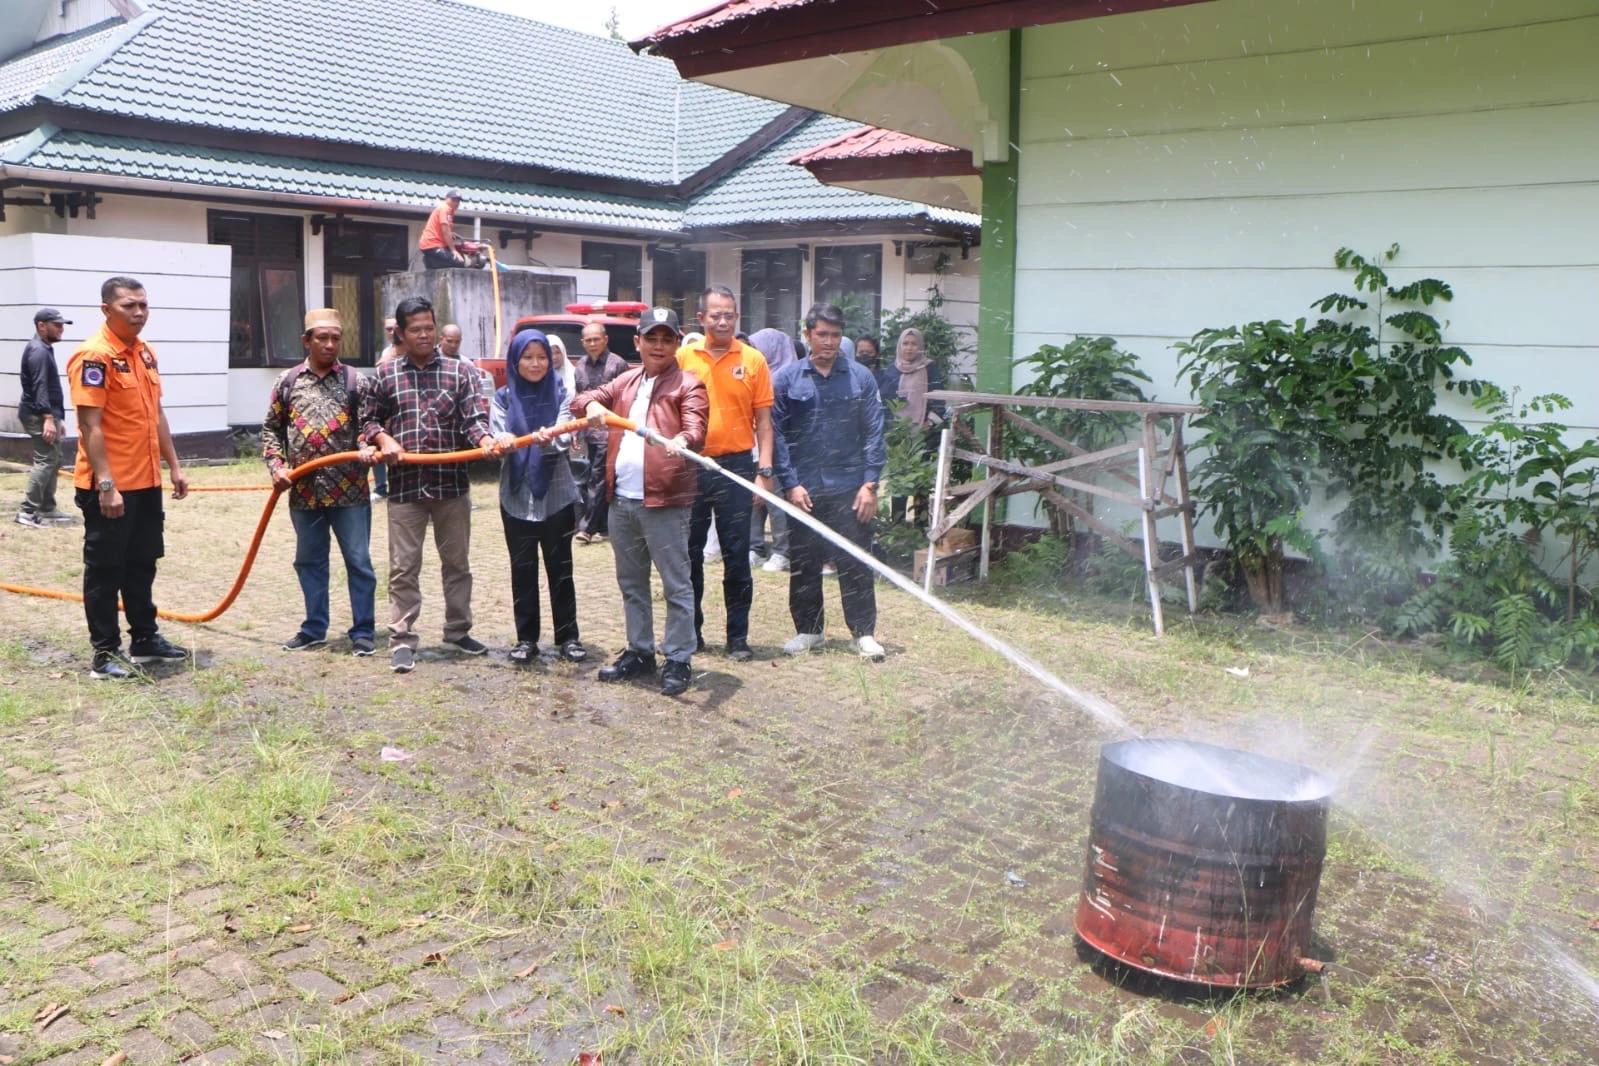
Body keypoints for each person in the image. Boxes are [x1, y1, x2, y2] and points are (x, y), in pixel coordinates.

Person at [362, 295, 504, 673]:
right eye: (416, 330)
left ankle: (458, 631)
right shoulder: (386, 374)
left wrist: (485, 440)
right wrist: (383, 439)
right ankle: (402, 639)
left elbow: (475, 419)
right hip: (405, 489)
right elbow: (369, 421)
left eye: (429, 328)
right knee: (403, 567)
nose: (425, 336)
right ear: (401, 334)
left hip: (451, 487)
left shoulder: (462, 373)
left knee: (457, 563)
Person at [573, 307, 708, 697]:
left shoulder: (689, 384)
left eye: (667, 339)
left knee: (676, 585)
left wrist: (681, 442)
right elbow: (581, 399)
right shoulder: (625, 381)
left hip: (665, 502)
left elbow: (696, 428)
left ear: (677, 344)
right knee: (632, 583)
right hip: (623, 503)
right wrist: (593, 406)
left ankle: (679, 658)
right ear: (638, 342)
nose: (659, 346)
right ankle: (640, 652)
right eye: (652, 338)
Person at [66, 276, 191, 680]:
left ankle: (144, 638)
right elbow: (90, 427)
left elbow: (156, 415)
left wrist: (174, 466)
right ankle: (105, 653)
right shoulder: (93, 357)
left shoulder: (145, 353)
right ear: (107, 309)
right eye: (128, 306)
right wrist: (106, 485)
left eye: (143, 305)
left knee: (142, 562)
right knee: (105, 568)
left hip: (146, 482)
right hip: (109, 487)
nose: (139, 313)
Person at [771, 302, 887, 662]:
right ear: (807, 335)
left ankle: (863, 634)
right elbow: (776, 436)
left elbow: (874, 433)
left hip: (851, 488)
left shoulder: (860, 378)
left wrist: (870, 485)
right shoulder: (788, 380)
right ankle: (809, 630)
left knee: (855, 561)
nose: (829, 342)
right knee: (805, 562)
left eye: (836, 335)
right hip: (804, 489)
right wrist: (790, 484)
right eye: (822, 334)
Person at [262, 308, 378, 657]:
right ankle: (314, 629)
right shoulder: (288, 382)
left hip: (351, 493)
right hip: (304, 493)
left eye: (335, 338)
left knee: (358, 562)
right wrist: (277, 467)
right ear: (306, 341)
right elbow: (271, 430)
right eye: (322, 338)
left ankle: (363, 631)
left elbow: (369, 427)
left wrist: (365, 448)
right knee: (310, 562)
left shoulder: (357, 382)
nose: (330, 345)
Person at [676, 285, 775, 661]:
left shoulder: (753, 360)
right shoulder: (683, 357)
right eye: (714, 314)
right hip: (691, 466)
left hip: (736, 467)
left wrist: (764, 471)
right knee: (690, 555)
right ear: (701, 319)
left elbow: (764, 423)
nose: (722, 320)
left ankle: (738, 638)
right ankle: (692, 633)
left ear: (737, 317)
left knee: (737, 555)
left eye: (728, 314)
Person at [489, 329, 586, 666]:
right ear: (515, 361)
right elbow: (498, 431)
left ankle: (569, 637)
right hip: (516, 495)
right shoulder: (502, 396)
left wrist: (548, 438)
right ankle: (526, 639)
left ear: (551, 359)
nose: (535, 363)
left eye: (541, 357)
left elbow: (564, 435)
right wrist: (503, 439)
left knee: (561, 569)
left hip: (557, 495)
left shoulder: (562, 393)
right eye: (527, 357)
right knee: (523, 569)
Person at [15, 308, 75, 527]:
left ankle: (47, 507)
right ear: (42, 325)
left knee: (55, 458)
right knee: (46, 460)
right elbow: (40, 386)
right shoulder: (38, 351)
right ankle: (27, 511)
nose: (61, 329)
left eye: (62, 325)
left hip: (47, 413)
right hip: (38, 414)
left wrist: (57, 418)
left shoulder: (44, 348)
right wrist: (48, 418)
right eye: (56, 325)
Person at [746, 328, 798, 572]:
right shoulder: (756, 375)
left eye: (759, 350)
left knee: (776, 501)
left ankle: (782, 551)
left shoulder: (788, 377)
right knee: (754, 499)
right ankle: (755, 547)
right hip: (755, 446)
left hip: (781, 449)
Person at [572, 321, 630, 545]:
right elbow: (579, 401)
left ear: (606, 340)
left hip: (611, 433)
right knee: (597, 478)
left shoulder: (618, 365)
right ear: (583, 343)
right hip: (589, 434)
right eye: (589, 340)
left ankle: (587, 528)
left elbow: (624, 401)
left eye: (597, 339)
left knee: (598, 478)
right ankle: (604, 525)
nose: (593, 343)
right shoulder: (580, 367)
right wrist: (577, 433)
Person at [877, 327, 946, 427]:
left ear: (920, 347)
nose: (909, 348)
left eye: (914, 344)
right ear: (899, 346)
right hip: (896, 431)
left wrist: (930, 423)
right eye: (905, 343)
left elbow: (938, 398)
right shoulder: (892, 369)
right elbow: (885, 401)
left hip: (924, 433)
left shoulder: (929, 368)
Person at [419, 190, 465, 269]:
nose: (456, 203)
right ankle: (431, 261)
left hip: (438, 245)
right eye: (453, 200)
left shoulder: (450, 211)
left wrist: (450, 233)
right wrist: (453, 250)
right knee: (459, 262)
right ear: (446, 199)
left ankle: (432, 261)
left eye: (458, 201)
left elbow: (445, 230)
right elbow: (445, 231)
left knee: (461, 255)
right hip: (432, 245)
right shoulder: (445, 208)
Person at [547, 333, 578, 399]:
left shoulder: (575, 374)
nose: (554, 357)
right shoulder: (538, 377)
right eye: (550, 353)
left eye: (558, 352)